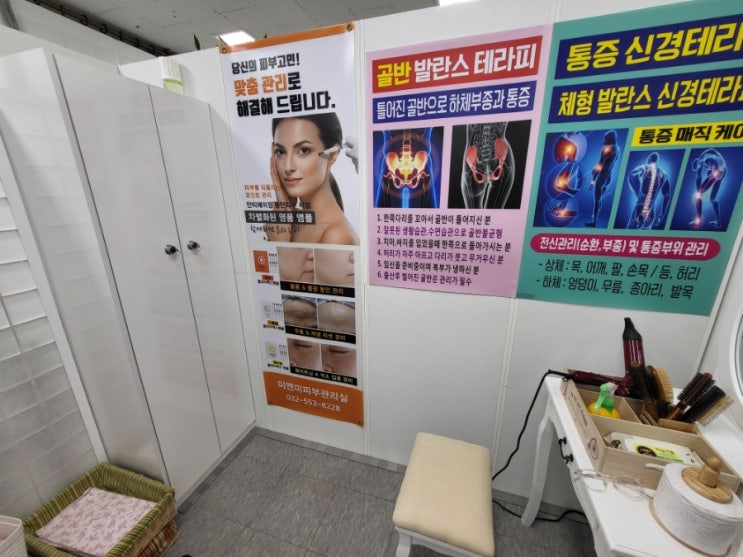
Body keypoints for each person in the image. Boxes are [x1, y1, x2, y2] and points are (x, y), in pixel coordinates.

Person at [267, 112, 359, 245]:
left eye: (304, 150)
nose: (288, 167)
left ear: (332, 154)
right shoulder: (289, 223)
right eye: (280, 152)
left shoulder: (337, 237)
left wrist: (279, 244)